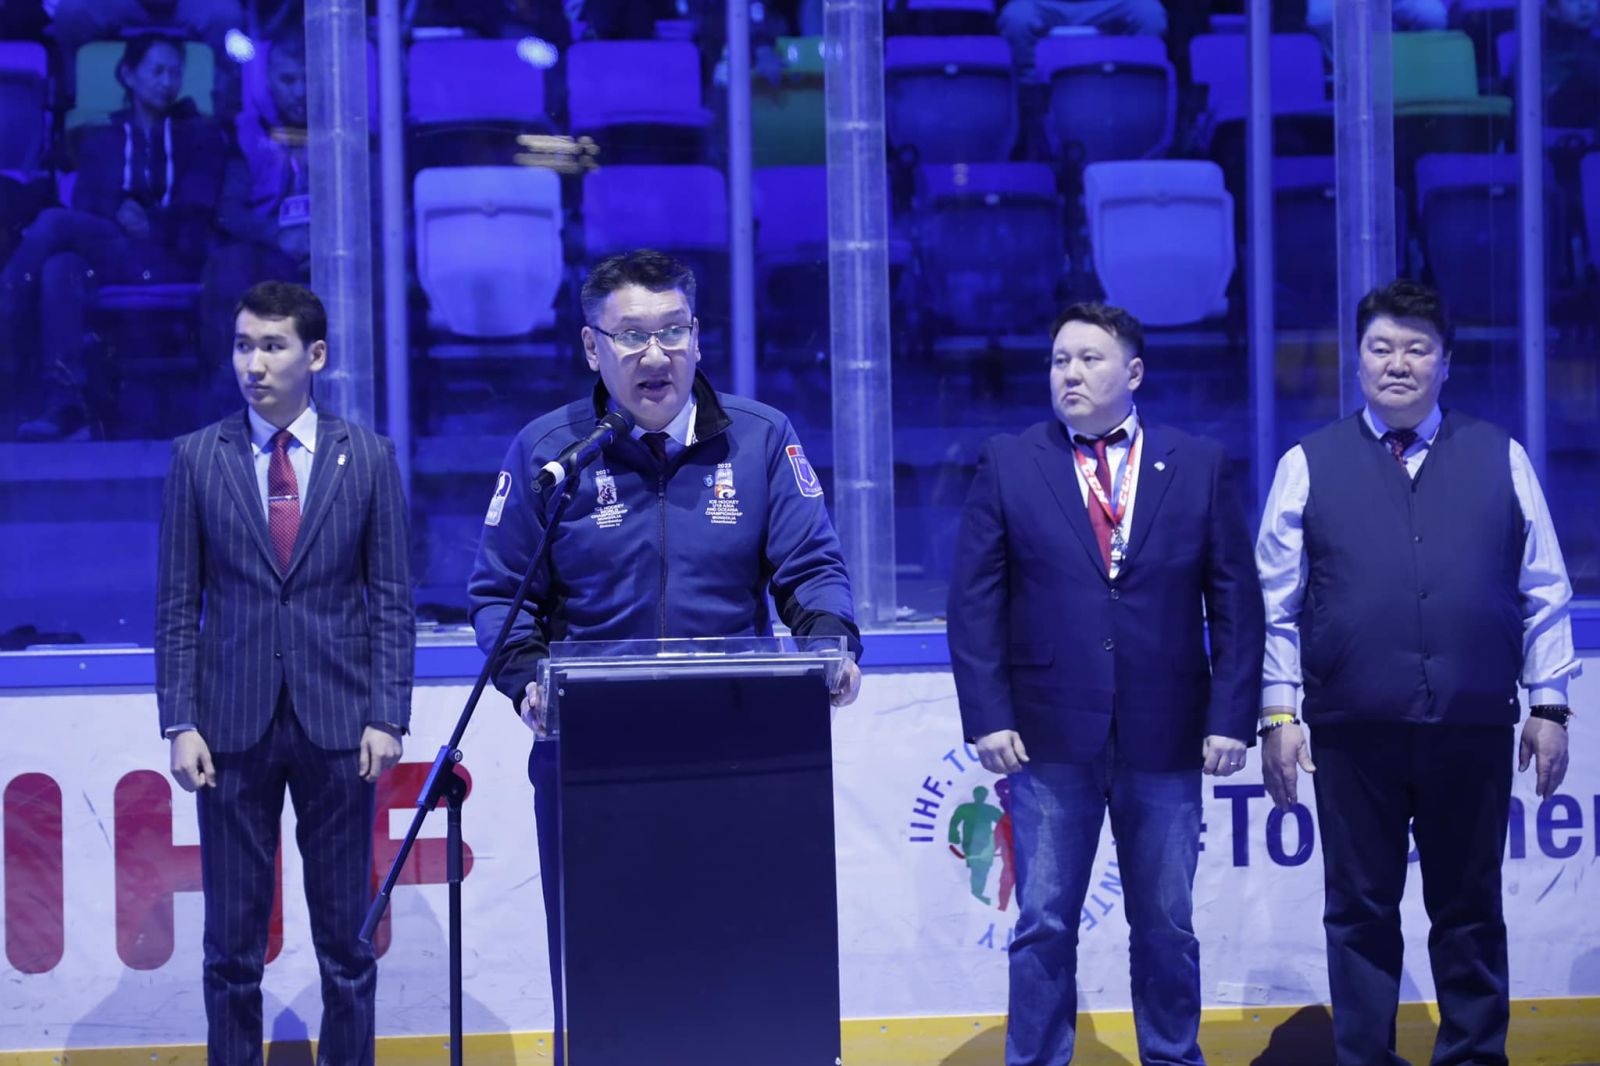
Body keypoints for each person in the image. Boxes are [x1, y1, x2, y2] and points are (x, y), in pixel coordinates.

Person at [467, 247, 862, 1061]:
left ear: (698, 336)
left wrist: (830, 642)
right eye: (633, 336)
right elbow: (501, 595)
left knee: (746, 970)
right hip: (590, 760)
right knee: (610, 981)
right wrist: (526, 681)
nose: (657, 354)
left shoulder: (760, 439)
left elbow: (811, 568)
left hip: (744, 755)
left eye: (674, 331)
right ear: (593, 348)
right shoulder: (551, 454)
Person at [1255, 278, 1579, 1066]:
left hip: (1471, 726)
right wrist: (1279, 714)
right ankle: (1364, 1058)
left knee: (1470, 910)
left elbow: (1544, 589)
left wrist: (1549, 706)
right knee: (1358, 913)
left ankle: (1473, 1056)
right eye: (1380, 348)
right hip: (1352, 730)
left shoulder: (1501, 456)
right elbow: (1275, 604)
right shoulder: (1307, 463)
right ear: (1357, 360)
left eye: (1416, 349)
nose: (1397, 363)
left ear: (1445, 362)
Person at [947, 301, 1264, 1066]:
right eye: (1060, 360)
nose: (1071, 373)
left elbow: (1235, 602)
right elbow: (974, 602)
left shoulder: (1198, 463)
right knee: (1044, 923)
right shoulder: (1010, 461)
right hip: (1049, 736)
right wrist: (987, 715)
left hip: (1168, 734)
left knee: (1167, 926)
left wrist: (1231, 717)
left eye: (1090, 359)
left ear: (1134, 372)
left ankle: (1172, 1056)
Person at [154, 280, 415, 1066]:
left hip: (340, 725)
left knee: (348, 944)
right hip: (229, 727)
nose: (254, 364)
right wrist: (179, 720)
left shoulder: (368, 458)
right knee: (231, 946)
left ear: (316, 355)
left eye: (272, 346)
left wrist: (388, 714)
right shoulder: (196, 458)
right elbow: (176, 604)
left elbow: (392, 600)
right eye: (243, 346)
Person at [1, 33, 227, 439]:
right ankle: (66, 405)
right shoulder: (101, 137)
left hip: (171, 251)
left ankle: (6, 306)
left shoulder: (200, 134)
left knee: (53, 224)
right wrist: (119, 210)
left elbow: (201, 202)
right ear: (128, 75)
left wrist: (152, 222)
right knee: (60, 268)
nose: (167, 82)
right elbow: (86, 199)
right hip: (113, 251)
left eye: (174, 72)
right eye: (156, 71)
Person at [202, 31, 311, 376]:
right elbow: (230, 212)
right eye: (288, 80)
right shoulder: (244, 133)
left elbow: (374, 209)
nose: (300, 91)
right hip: (267, 246)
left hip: (330, 246)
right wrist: (278, 236)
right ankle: (230, 382)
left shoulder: (349, 130)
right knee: (229, 266)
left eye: (308, 79)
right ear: (268, 79)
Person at [995, 0, 1167, 81]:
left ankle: (1138, 83)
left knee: (1149, 15)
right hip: (1046, 3)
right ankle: (1030, 89)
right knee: (1016, 18)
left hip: (1107, 4)